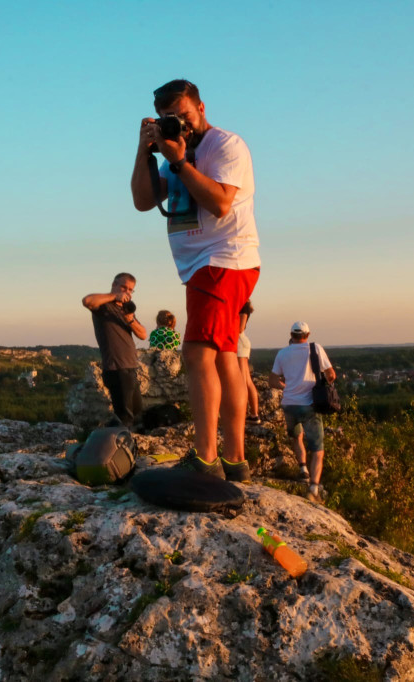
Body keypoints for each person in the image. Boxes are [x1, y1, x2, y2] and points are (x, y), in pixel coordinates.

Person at [130, 79, 260, 482]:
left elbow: (221, 202)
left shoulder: (225, 145)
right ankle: (235, 460)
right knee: (224, 359)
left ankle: (206, 459)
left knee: (196, 353)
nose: (180, 126)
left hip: (223, 260)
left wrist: (182, 162)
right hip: (204, 266)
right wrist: (146, 151)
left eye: (184, 117)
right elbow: (142, 200)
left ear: (201, 107)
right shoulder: (173, 154)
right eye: (170, 120)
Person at [269, 321, 336, 503]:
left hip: (289, 403)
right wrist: (322, 386)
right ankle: (313, 487)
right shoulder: (315, 349)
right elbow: (331, 374)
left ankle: (303, 470)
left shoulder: (282, 353)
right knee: (317, 448)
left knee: (296, 437)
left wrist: (287, 386)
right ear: (308, 334)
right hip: (310, 405)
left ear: (291, 335)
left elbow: (273, 380)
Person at [82, 273, 148, 427]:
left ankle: (118, 438)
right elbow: (87, 300)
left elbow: (143, 334)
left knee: (136, 409)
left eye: (131, 290)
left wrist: (130, 318)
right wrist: (114, 296)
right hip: (116, 367)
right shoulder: (104, 306)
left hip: (130, 367)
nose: (127, 292)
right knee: (125, 417)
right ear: (114, 285)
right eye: (123, 287)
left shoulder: (125, 310)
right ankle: (119, 445)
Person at [238, 300, 261, 424]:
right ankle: (254, 415)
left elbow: (240, 328)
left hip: (238, 343)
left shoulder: (243, 306)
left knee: (241, 381)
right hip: (241, 342)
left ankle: (243, 414)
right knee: (247, 381)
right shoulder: (244, 306)